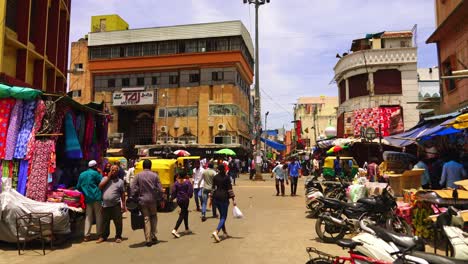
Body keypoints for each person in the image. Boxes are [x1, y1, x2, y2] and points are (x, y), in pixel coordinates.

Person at [131, 159, 164, 247]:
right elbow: (160, 189)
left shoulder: (138, 175)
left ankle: (148, 239)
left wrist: (134, 196)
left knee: (146, 218)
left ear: (143, 166)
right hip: (153, 200)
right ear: (150, 166)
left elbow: (132, 187)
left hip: (142, 200)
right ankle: (153, 235)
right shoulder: (155, 175)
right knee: (153, 217)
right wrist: (161, 199)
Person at [97, 165, 126, 243]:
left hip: (115, 205)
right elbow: (100, 187)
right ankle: (104, 236)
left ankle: (118, 236)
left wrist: (123, 204)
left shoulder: (120, 181)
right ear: (109, 171)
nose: (114, 171)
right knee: (105, 222)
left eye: (116, 170)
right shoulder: (105, 179)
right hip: (105, 205)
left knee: (118, 222)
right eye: (112, 170)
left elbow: (122, 193)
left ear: (118, 172)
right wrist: (108, 178)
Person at [76, 160, 103, 242]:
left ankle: (86, 236)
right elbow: (102, 183)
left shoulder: (82, 174)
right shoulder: (96, 174)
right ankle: (99, 234)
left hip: (87, 198)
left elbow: (78, 187)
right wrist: (100, 173)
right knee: (98, 216)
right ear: (95, 166)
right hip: (96, 197)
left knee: (88, 217)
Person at [211, 164, 236, 242]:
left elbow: (213, 188)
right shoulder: (226, 178)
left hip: (216, 198)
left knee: (222, 215)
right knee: (223, 217)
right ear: (224, 169)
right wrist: (233, 199)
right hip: (224, 198)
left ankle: (225, 232)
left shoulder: (215, 177)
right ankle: (216, 231)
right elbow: (230, 189)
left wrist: (211, 198)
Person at [171, 171, 194, 238]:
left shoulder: (176, 183)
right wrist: (190, 196)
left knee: (185, 212)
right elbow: (190, 191)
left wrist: (172, 198)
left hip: (179, 200)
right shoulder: (187, 182)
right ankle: (175, 229)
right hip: (185, 200)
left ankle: (186, 228)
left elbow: (173, 191)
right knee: (182, 214)